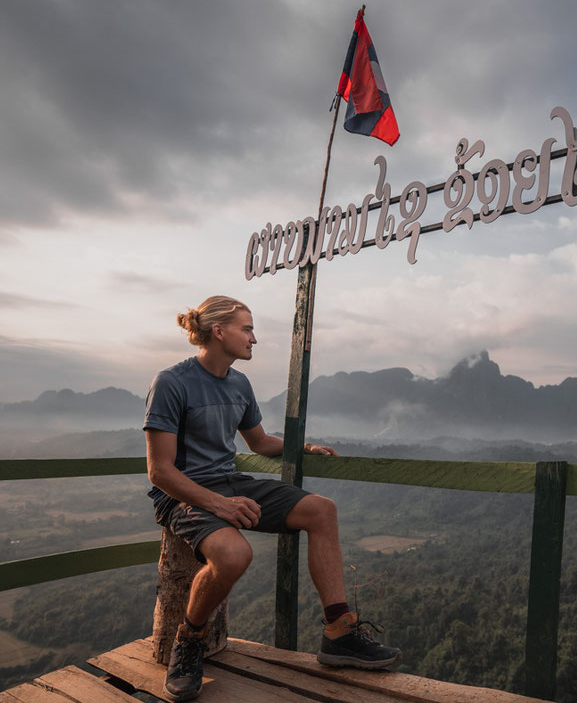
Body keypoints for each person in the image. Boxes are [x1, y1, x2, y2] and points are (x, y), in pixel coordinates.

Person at [143, 295, 401, 702]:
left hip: (229, 481)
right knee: (233, 556)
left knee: (322, 510)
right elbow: (160, 471)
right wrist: (218, 505)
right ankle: (189, 640)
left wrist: (305, 448)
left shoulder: (238, 383)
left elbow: (259, 442)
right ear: (218, 331)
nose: (254, 339)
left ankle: (339, 632)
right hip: (184, 493)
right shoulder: (171, 382)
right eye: (247, 328)